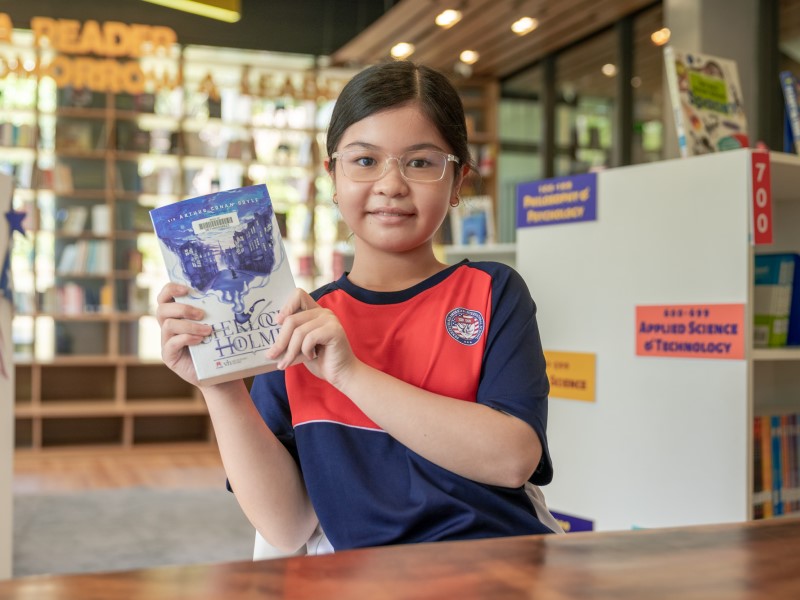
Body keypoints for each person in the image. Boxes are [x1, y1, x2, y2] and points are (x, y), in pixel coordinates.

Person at [156, 60, 555, 555]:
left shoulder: (493, 291)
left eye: (420, 162)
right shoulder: (295, 320)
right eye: (365, 160)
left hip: (496, 566)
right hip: (361, 578)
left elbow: (513, 459)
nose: (391, 184)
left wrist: (350, 375)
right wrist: (218, 385)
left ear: (458, 182)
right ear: (333, 176)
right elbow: (287, 527)